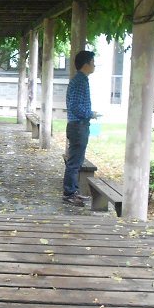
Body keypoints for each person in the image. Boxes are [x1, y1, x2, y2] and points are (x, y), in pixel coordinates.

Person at [62, 50, 98, 207]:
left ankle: (73, 191)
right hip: (78, 126)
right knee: (74, 162)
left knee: (77, 161)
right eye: (93, 62)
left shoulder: (81, 80)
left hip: (78, 126)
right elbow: (75, 107)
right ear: (86, 64)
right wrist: (91, 114)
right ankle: (69, 194)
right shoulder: (79, 81)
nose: (94, 65)